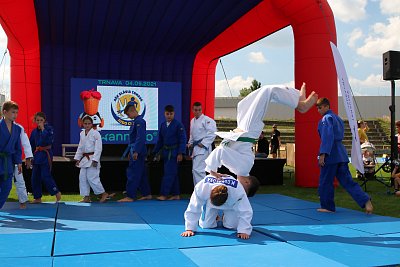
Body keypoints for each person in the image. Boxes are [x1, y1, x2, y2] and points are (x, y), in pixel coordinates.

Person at [205, 83, 317, 180]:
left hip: (242, 129)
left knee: (243, 103)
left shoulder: (236, 168)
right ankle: (300, 104)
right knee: (266, 91)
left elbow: (222, 151)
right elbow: (220, 151)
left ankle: (297, 97)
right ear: (247, 182)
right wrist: (212, 169)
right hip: (247, 129)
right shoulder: (243, 168)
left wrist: (212, 169)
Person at [316, 97, 373, 213]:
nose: (318, 110)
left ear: (327, 106)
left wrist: (323, 154)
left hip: (330, 154)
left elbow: (327, 136)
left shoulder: (326, 118)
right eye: (317, 108)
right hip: (341, 154)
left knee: (325, 181)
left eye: (320, 107)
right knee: (348, 181)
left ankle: (327, 206)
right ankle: (365, 200)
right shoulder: (338, 118)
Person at [181, 174, 259, 240]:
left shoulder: (237, 191)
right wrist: (190, 228)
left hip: (231, 205)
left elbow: (246, 210)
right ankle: (211, 213)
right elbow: (193, 207)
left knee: (232, 226)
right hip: (209, 204)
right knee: (206, 225)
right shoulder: (202, 188)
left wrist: (244, 230)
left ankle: (225, 217)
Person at [118, 98, 152, 202]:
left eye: (128, 114)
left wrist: (136, 151)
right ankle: (147, 194)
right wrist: (130, 151)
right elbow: (133, 139)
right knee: (141, 174)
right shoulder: (136, 121)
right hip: (135, 149)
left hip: (138, 151)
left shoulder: (140, 122)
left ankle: (130, 196)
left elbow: (140, 138)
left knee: (133, 173)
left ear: (133, 111)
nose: (128, 116)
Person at [152, 105, 186, 201]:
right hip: (166, 152)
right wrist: (155, 152)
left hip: (174, 152)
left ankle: (164, 194)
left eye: (171, 114)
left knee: (169, 173)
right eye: (167, 114)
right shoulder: (163, 125)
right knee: (173, 174)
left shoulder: (178, 125)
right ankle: (176, 194)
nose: (169, 116)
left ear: (174, 114)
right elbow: (160, 140)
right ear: (164, 114)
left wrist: (180, 153)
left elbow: (182, 140)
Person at [74, 116, 110, 203]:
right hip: (85, 159)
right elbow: (80, 147)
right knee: (82, 178)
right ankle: (86, 197)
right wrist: (78, 158)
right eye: (85, 124)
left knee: (92, 177)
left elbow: (99, 147)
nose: (87, 125)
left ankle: (103, 193)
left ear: (92, 124)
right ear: (82, 124)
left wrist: (95, 159)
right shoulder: (82, 133)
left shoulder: (96, 133)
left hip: (93, 158)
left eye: (89, 123)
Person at [30, 112, 61, 203]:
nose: (39, 122)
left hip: (45, 155)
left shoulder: (49, 129)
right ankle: (37, 197)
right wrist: (30, 156)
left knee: (45, 175)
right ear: (35, 121)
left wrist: (43, 129)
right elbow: (31, 145)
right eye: (37, 120)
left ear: (44, 121)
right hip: (37, 156)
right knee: (35, 177)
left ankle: (56, 192)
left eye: (41, 120)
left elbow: (47, 140)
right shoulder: (34, 132)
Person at [187, 102, 217, 185]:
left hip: (203, 148)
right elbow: (192, 134)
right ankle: (198, 190)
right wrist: (190, 143)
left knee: (199, 170)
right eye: (196, 110)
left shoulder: (207, 120)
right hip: (196, 148)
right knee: (195, 170)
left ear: (201, 110)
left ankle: (203, 191)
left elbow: (213, 132)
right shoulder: (192, 121)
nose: (197, 112)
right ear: (193, 110)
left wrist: (204, 143)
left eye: (199, 110)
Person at [0, 101, 22, 209]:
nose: (15, 115)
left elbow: (18, 147)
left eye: (17, 112)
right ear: (4, 112)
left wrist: (18, 162)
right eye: (13, 112)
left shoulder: (17, 129)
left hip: (8, 162)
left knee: (7, 187)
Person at [13, 123, 34, 209]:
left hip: (15, 159)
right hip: (2, 159)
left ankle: (23, 201)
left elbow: (25, 143)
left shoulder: (18, 128)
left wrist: (28, 157)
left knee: (19, 180)